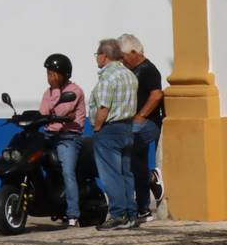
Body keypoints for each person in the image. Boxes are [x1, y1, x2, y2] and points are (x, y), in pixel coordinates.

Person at [88, 37, 139, 230]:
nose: (96, 59)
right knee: (126, 173)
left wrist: (97, 128)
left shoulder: (108, 77)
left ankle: (118, 214)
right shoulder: (129, 75)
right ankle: (131, 214)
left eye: (97, 55)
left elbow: (103, 107)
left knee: (111, 174)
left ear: (104, 56)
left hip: (109, 129)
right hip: (127, 127)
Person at [119, 33, 165, 222]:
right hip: (134, 123)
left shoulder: (148, 70)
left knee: (127, 153)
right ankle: (143, 209)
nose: (122, 61)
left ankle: (152, 178)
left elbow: (156, 95)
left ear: (134, 52)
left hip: (148, 123)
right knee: (133, 160)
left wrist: (141, 115)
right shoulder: (131, 71)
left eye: (123, 57)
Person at [38, 53, 87, 226]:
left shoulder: (74, 91)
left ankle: (73, 213)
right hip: (49, 135)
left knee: (67, 171)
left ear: (64, 74)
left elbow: (59, 112)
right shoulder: (47, 92)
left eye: (53, 74)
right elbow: (43, 113)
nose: (49, 77)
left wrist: (56, 92)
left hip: (69, 137)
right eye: (48, 73)